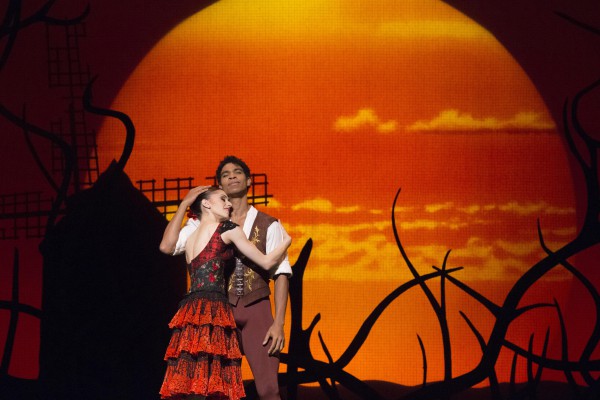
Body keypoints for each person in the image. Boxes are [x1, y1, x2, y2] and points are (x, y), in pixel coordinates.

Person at [160, 155, 292, 400]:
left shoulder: (268, 224)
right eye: (225, 174)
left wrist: (279, 323)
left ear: (249, 180)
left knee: (268, 389)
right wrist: (183, 205)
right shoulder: (198, 223)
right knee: (215, 389)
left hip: (256, 308)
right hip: (220, 312)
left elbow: (281, 272)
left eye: (238, 172)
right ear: (218, 185)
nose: (232, 175)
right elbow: (169, 246)